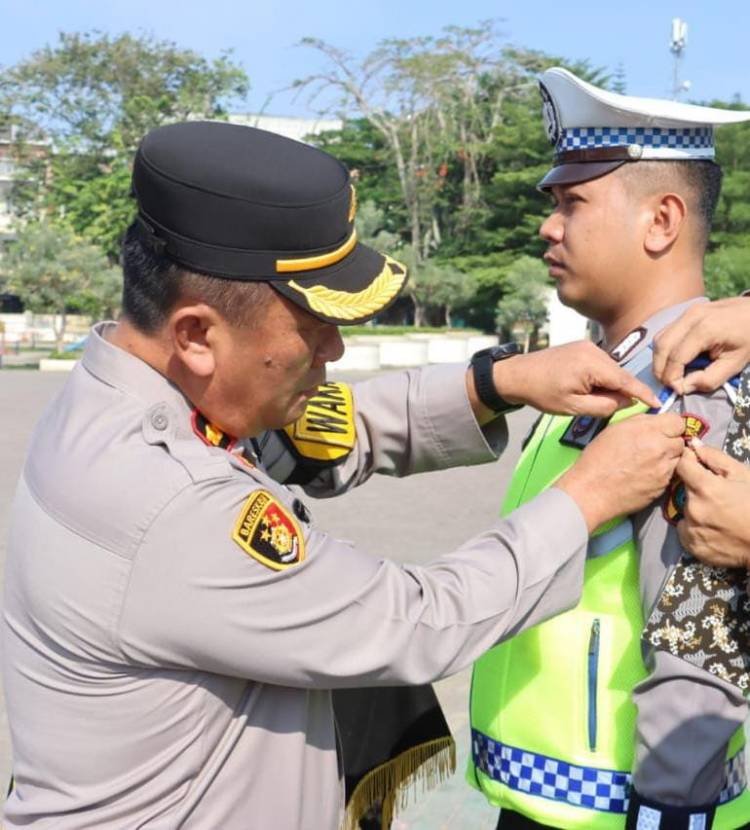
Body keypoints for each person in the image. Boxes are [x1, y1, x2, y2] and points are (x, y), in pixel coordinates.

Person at [0, 120, 682, 830]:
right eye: (312, 324)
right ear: (197, 334)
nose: (335, 347)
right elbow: (418, 620)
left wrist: (496, 383)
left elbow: (322, 429)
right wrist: (589, 494)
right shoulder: (169, 499)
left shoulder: (131, 395)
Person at [468, 68, 750, 830]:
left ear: (661, 221)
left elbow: (700, 643)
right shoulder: (601, 372)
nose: (547, 227)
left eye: (572, 203)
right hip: (543, 800)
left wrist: (672, 813)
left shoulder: (695, 387)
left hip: (628, 810)